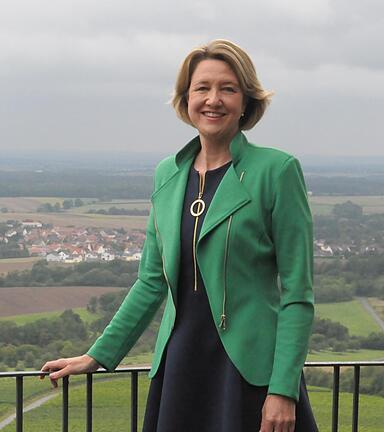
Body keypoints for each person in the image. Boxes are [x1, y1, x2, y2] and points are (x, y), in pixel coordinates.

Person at [41, 39, 318, 432]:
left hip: (250, 373)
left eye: (228, 88)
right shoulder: (167, 175)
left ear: (246, 101)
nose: (213, 99)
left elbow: (298, 295)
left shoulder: (277, 171)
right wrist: (98, 355)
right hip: (180, 367)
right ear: (186, 99)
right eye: (202, 88)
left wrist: (283, 390)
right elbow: (151, 282)